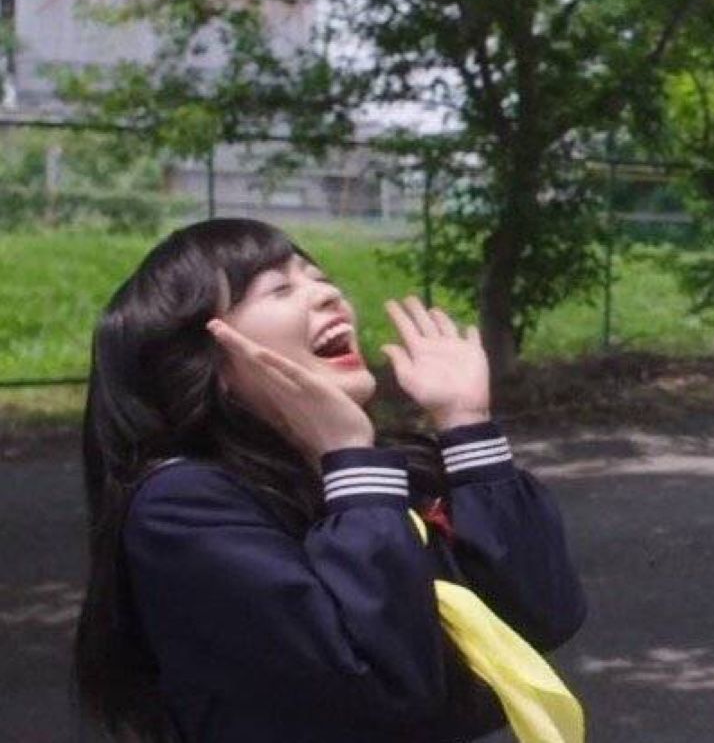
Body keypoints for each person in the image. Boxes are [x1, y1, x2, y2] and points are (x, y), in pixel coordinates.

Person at [73, 216, 587, 743]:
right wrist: (351, 462)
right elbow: (379, 688)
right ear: (210, 363)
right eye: (280, 288)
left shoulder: (378, 473)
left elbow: (545, 613)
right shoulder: (182, 506)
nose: (328, 295)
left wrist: (466, 423)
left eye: (320, 278)